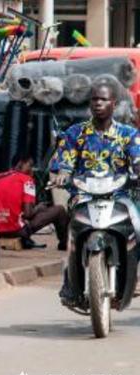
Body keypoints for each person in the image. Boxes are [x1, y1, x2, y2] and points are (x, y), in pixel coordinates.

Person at [49, 81, 140, 303]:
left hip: (120, 196)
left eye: (103, 99)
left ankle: (134, 277)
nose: (98, 103)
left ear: (114, 104)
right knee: (73, 234)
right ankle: (70, 284)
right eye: (94, 99)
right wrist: (62, 173)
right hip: (84, 195)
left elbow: (137, 160)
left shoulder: (128, 134)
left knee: (137, 229)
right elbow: (63, 161)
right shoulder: (75, 133)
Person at [0, 157, 69, 250]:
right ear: (20, 164)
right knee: (59, 210)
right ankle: (64, 244)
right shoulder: (27, 180)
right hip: (15, 231)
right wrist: (38, 208)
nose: (32, 169)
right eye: (30, 165)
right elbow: (28, 214)